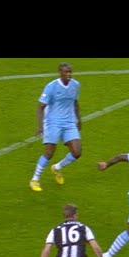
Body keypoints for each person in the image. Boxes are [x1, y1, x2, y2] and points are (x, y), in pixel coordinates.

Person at [30, 62, 83, 191]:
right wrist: (40, 126)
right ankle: (35, 180)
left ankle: (57, 168)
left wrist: (79, 119)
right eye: (66, 72)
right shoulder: (51, 87)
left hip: (69, 122)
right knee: (49, 153)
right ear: (60, 73)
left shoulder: (75, 85)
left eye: (70, 72)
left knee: (77, 152)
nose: (69, 74)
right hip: (53, 122)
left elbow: (75, 103)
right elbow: (40, 107)